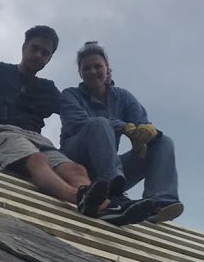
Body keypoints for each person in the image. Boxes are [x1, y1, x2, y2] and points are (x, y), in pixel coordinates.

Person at [0, 26, 112, 217]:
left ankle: (105, 206)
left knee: (76, 169)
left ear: (49, 58)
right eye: (35, 48)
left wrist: (102, 86)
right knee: (37, 160)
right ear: (24, 47)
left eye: (45, 53)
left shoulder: (47, 88)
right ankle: (79, 198)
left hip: (38, 140)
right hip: (1, 132)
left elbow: (77, 113)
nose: (38, 55)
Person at [60, 41, 184, 224]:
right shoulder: (70, 95)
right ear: (80, 73)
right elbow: (78, 122)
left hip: (109, 165)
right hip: (76, 162)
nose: (93, 71)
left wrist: (146, 133)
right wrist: (123, 127)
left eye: (97, 66)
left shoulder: (122, 97)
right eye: (87, 68)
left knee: (163, 142)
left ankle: (159, 203)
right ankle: (115, 194)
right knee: (99, 124)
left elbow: (142, 123)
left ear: (107, 69)